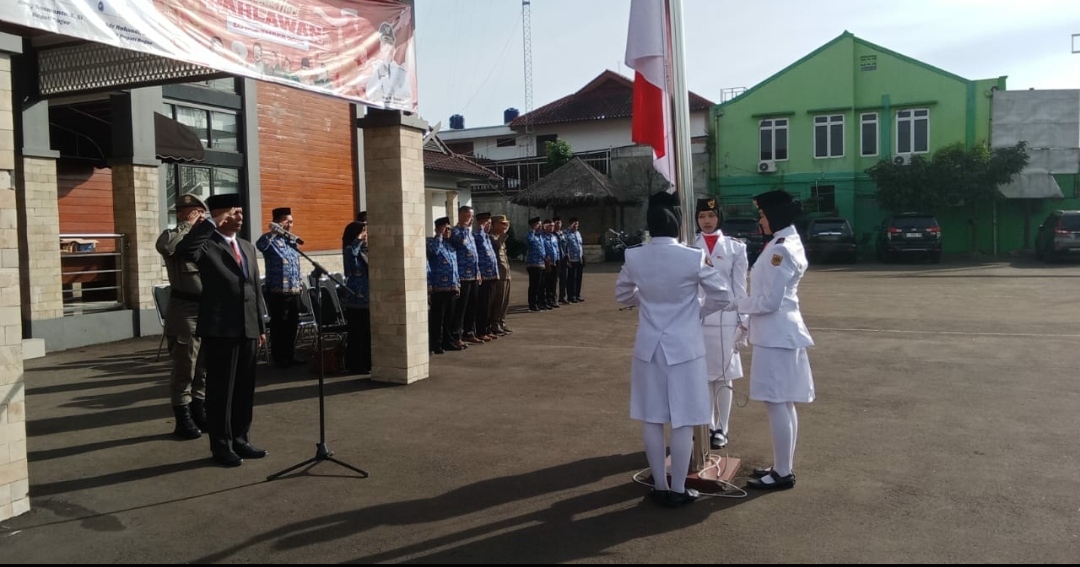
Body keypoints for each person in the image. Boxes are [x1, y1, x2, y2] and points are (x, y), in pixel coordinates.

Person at [615, 190, 733, 508]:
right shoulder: (692, 256)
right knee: (684, 418)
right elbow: (722, 295)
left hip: (649, 347)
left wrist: (648, 300)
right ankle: (678, 488)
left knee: (652, 418)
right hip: (685, 347)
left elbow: (622, 294)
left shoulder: (635, 256)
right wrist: (696, 311)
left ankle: (659, 485)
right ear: (678, 224)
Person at [176, 193, 267, 468]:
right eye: (234, 212)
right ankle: (222, 446)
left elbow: (254, 288)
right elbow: (186, 251)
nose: (240, 217)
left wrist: (261, 326)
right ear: (219, 215)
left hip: (248, 327)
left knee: (244, 389)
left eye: (241, 212)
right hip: (220, 329)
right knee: (221, 392)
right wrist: (210, 223)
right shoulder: (208, 244)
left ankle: (240, 439)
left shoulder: (247, 247)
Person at [738, 189, 814, 491]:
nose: (760, 220)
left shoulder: (779, 250)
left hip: (776, 334)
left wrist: (737, 304)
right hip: (781, 332)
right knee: (784, 402)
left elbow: (770, 302)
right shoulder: (785, 242)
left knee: (776, 402)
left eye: (763, 215)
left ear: (775, 216)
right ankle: (783, 466)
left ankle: (783, 472)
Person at [693, 197, 749, 450]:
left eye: (711, 216)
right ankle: (707, 424)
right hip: (699, 317)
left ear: (719, 217)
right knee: (703, 375)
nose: (706, 221)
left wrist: (743, 321)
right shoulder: (689, 246)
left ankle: (722, 428)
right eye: (702, 216)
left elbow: (740, 287)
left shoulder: (735, 247)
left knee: (724, 376)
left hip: (726, 319)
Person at [155, 193, 209, 440]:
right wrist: (187, 225)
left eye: (197, 211)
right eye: (186, 212)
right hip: (184, 310)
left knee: (204, 367)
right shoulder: (174, 237)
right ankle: (183, 419)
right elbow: (165, 247)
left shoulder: (204, 237)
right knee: (185, 367)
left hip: (206, 309)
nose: (193, 215)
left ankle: (199, 411)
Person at [256, 207, 304, 369]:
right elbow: (260, 245)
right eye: (287, 221)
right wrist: (274, 231)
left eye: (291, 221)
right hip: (278, 291)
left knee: (292, 324)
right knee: (279, 325)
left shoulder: (291, 241)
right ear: (277, 222)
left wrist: (300, 283)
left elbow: (296, 265)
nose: (290, 224)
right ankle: (279, 357)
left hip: (294, 290)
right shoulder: (268, 239)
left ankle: (290, 354)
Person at [340, 221, 372, 374]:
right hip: (356, 300)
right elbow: (351, 257)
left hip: (368, 298)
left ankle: (367, 363)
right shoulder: (350, 250)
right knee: (357, 334)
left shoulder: (367, 251)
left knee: (367, 334)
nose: (366, 235)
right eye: (363, 232)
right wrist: (358, 239)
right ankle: (355, 365)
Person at [450, 205, 483, 344]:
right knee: (461, 307)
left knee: (472, 305)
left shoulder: (469, 233)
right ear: (461, 215)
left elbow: (474, 253)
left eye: (472, 216)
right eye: (469, 216)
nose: (471, 219)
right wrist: (464, 226)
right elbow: (458, 243)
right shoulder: (455, 231)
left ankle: (469, 332)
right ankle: (457, 335)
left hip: (473, 274)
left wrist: (478, 271)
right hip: (462, 275)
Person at [427, 217, 461, 352]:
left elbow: (455, 267)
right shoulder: (432, 242)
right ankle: (436, 344)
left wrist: (457, 284)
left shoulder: (450, 245)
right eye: (445, 229)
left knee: (449, 318)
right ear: (437, 229)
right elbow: (434, 252)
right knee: (438, 318)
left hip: (451, 287)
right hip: (439, 287)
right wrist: (439, 235)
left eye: (449, 229)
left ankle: (448, 342)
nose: (448, 231)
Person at [473, 212, 500, 341]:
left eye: (490, 223)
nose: (490, 226)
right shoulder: (477, 236)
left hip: (492, 275)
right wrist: (480, 228)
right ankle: (481, 331)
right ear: (481, 223)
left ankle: (488, 329)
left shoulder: (487, 237)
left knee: (490, 304)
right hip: (483, 276)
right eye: (487, 223)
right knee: (483, 305)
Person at [489, 215, 513, 334]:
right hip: (498, 274)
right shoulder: (491, 237)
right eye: (502, 223)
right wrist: (504, 234)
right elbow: (496, 246)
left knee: (505, 301)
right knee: (498, 301)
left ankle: (501, 322)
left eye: (506, 224)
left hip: (505, 273)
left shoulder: (500, 238)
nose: (505, 226)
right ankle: (495, 323)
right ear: (494, 224)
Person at [524, 216, 547, 312]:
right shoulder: (531, 235)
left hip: (541, 264)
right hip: (533, 264)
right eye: (538, 224)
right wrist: (533, 229)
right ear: (533, 225)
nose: (540, 226)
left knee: (541, 285)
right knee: (534, 285)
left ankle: (540, 303)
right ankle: (532, 304)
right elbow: (529, 240)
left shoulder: (540, 236)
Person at [565, 217, 585, 303]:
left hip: (579, 258)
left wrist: (582, 256)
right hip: (571, 259)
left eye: (577, 224)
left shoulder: (578, 233)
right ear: (571, 224)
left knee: (578, 278)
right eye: (574, 224)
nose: (576, 226)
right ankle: (571, 296)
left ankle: (577, 295)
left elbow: (580, 246)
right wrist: (568, 258)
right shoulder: (567, 234)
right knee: (571, 278)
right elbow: (566, 245)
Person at [553, 216, 570, 304]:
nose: (558, 224)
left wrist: (567, 254)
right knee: (554, 280)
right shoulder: (552, 234)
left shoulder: (563, 234)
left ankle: (562, 297)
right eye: (556, 223)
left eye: (559, 223)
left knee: (564, 279)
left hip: (563, 259)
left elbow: (566, 245)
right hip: (556, 259)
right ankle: (553, 299)